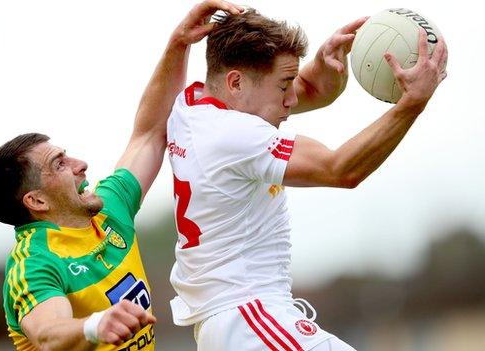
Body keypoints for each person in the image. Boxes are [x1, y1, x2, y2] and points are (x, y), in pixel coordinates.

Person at [166, 8, 447, 351]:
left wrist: (320, 68)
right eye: (284, 85)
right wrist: (412, 103)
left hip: (232, 324)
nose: (292, 98)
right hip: (250, 319)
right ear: (236, 82)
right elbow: (340, 168)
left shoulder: (190, 108)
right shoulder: (235, 134)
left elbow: (308, 91)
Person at [0, 1, 244, 350]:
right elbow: (47, 334)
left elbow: (149, 132)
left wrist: (179, 43)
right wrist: (94, 325)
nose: (80, 163)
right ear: (36, 200)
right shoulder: (33, 264)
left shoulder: (109, 208)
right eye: (59, 163)